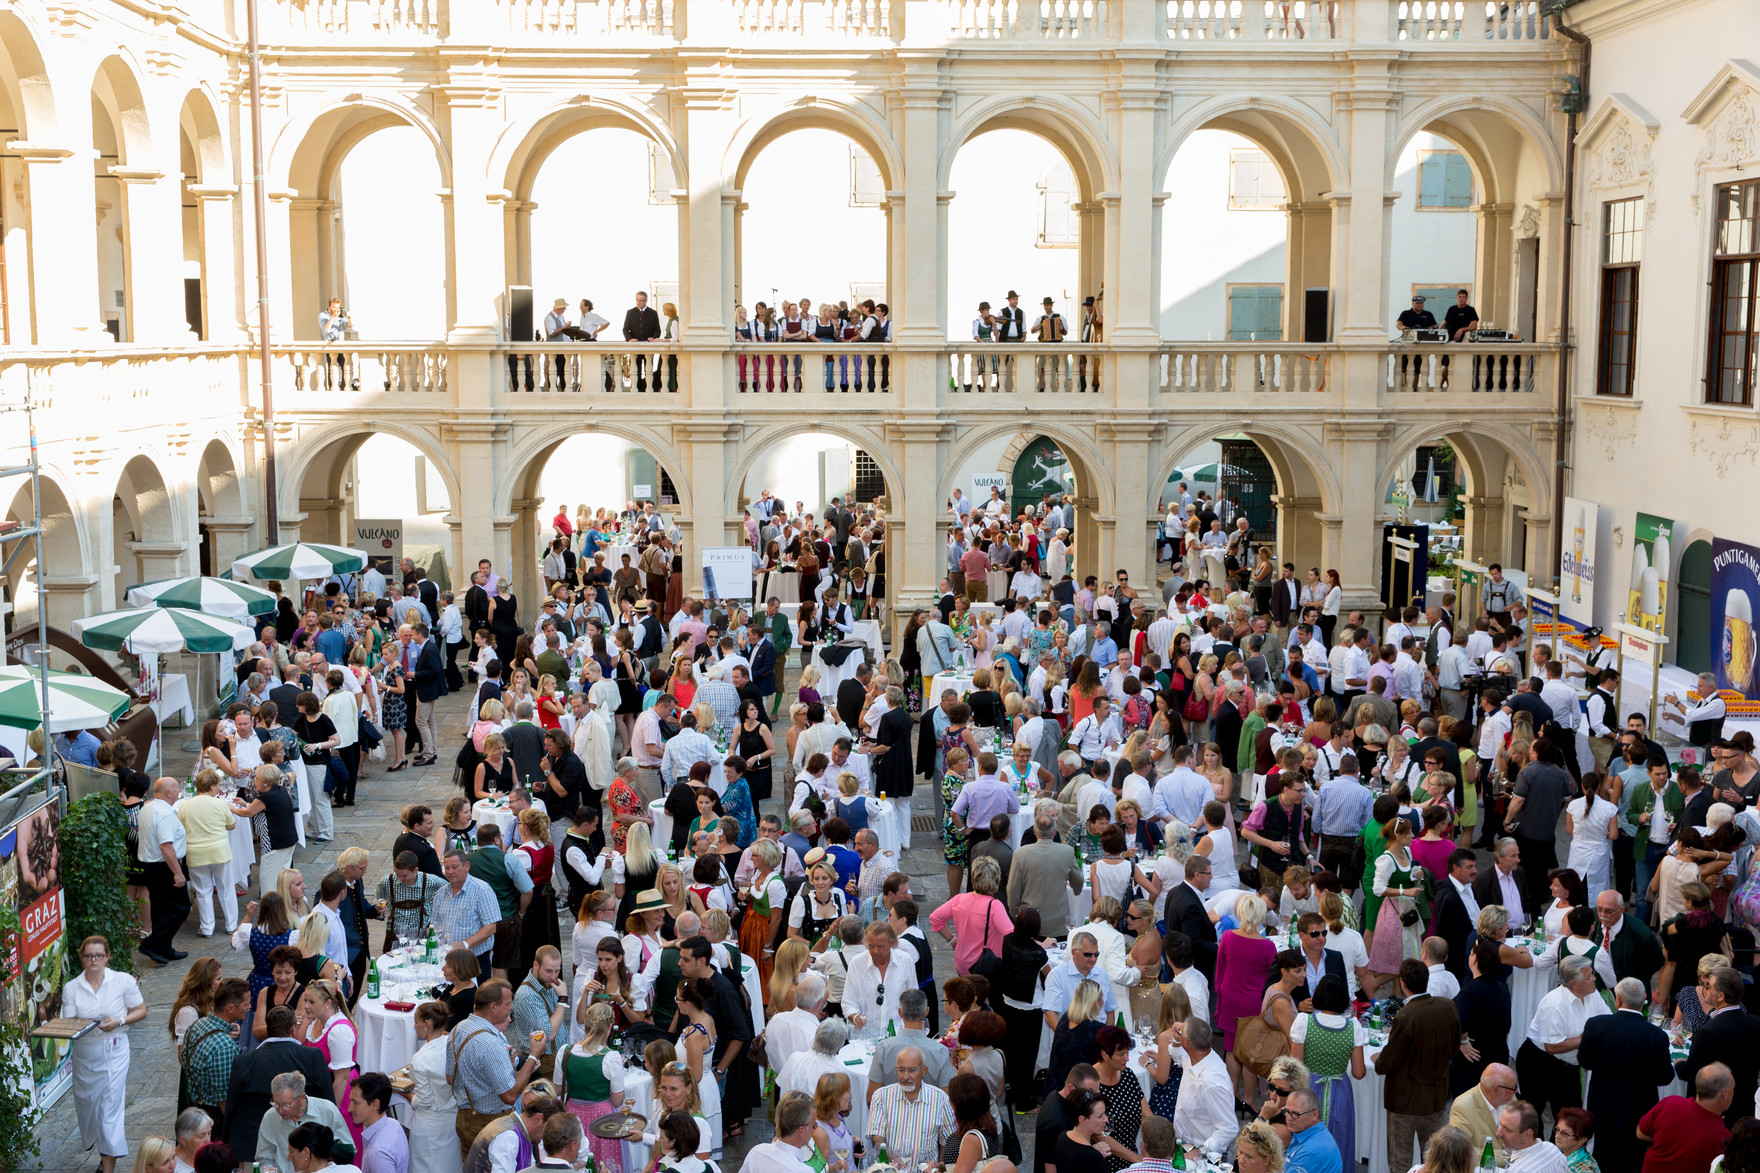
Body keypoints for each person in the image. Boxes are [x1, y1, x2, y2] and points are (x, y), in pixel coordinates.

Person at [62, 936, 148, 1173]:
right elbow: (70, 1023)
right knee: (89, 1106)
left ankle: (107, 1168)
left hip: (115, 1050)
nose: (94, 960)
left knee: (109, 1109)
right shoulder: (72, 988)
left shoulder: (122, 981)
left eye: (99, 955)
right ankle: (102, 1153)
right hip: (85, 1056)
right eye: (88, 955)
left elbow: (141, 1011)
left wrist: (119, 1020)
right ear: (82, 958)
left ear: (107, 956)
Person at [1374, 959, 1462, 1173]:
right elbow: (1453, 1048)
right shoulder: (1447, 1006)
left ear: (1403, 984)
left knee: (1400, 1162)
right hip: (1435, 1098)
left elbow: (1386, 1064)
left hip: (1404, 1102)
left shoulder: (1405, 1016)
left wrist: (1379, 1059)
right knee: (1433, 1161)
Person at [448, 981, 547, 1156]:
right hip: (490, 1123)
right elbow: (509, 1096)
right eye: (508, 1004)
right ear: (493, 1006)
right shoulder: (491, 1044)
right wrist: (533, 1056)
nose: (512, 1008)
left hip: (464, 1119)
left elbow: (451, 1077)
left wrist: (499, 1069)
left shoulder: (458, 1029)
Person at [1677, 966, 1760, 1125]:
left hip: (1715, 1112)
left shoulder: (1709, 1031)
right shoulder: (1756, 1023)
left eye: (1709, 987)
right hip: (1746, 1106)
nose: (1705, 989)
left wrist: (1679, 1063)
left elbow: (1692, 1073)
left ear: (1720, 995)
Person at [869, 1048, 956, 1170]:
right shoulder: (881, 1096)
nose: (905, 1076)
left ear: (924, 1071)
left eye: (912, 1070)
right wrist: (894, 1159)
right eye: (901, 1070)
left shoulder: (940, 1099)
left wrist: (938, 1169)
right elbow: (877, 1137)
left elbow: (946, 1142)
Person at [1639, 1065, 1738, 1172]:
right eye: (1733, 1089)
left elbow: (1641, 1133)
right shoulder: (1724, 1138)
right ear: (1724, 1094)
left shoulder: (1669, 1103)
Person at [258, 1073, 356, 1173]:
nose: (280, 1110)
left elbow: (346, 1151)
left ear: (301, 1098)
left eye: (286, 1105)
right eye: (275, 1103)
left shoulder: (327, 1110)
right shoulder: (270, 1117)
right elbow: (264, 1158)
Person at [348, 1072, 408, 1173]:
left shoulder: (378, 1153)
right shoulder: (393, 1124)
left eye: (355, 1103)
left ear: (375, 1104)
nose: (349, 1108)